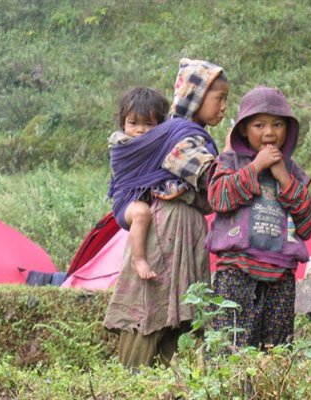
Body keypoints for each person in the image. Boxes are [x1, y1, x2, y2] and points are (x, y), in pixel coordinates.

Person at [103, 58, 229, 368]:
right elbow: (213, 182)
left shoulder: (186, 135)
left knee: (178, 313)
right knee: (151, 308)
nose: (224, 107)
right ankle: (133, 382)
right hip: (166, 230)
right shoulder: (181, 141)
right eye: (219, 98)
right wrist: (233, 154)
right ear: (196, 97)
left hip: (184, 230)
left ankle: (163, 382)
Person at [206, 86, 311, 349]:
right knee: (230, 347)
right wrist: (256, 166)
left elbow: (308, 223)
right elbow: (219, 199)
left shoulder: (293, 172)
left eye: (278, 124)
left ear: (288, 129)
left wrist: (283, 177)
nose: (269, 132)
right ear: (244, 129)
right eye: (259, 125)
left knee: (275, 350)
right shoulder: (230, 161)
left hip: (280, 274)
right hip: (236, 270)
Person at [108, 86, 170, 280]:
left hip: (152, 199)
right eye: (133, 123)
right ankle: (139, 259)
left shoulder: (163, 142)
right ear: (123, 123)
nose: (140, 130)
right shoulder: (121, 142)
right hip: (126, 203)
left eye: (149, 124)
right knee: (142, 212)